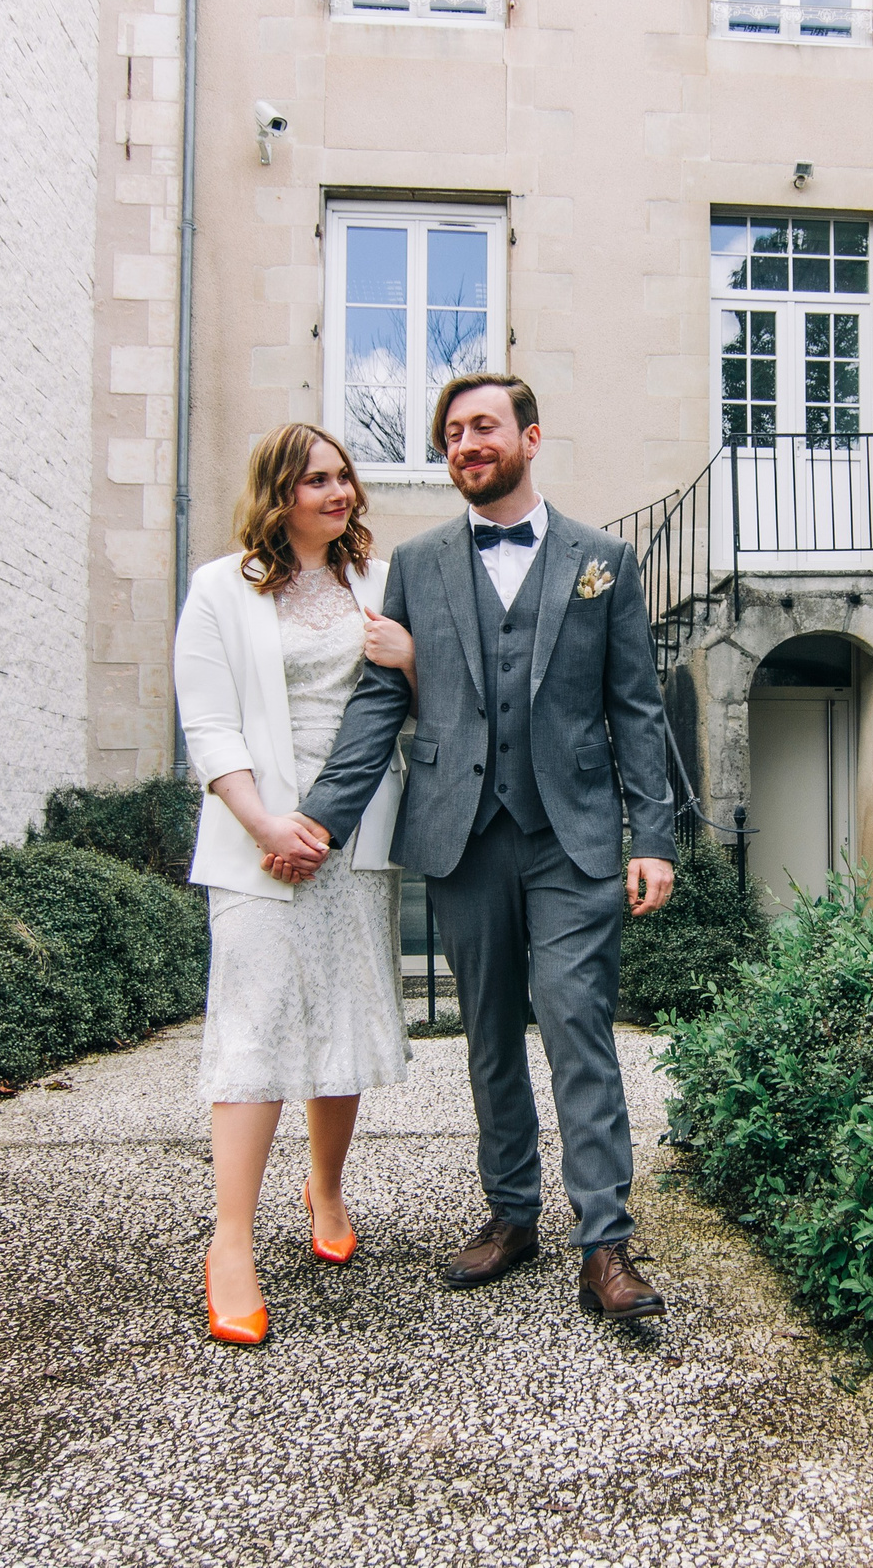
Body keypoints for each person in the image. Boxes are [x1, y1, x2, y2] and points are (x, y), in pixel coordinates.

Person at [264, 372, 678, 1322]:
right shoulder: (416, 565)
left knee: (577, 1026)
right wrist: (321, 818)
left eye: (484, 426)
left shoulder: (603, 559)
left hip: (571, 837)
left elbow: (636, 708)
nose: (466, 443)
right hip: (461, 833)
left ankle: (605, 1243)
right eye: (451, 432)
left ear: (531, 437)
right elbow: (379, 704)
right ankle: (512, 1214)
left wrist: (651, 835)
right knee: (489, 1035)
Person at [172, 422, 416, 1345]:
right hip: (258, 836)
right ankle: (230, 1241)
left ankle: (326, 1186)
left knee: (340, 1015)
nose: (338, 490)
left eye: (343, 475)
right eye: (316, 479)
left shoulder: (381, 584)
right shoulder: (219, 588)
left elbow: (427, 697)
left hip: (356, 833)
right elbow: (208, 723)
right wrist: (267, 823)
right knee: (256, 1023)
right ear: (277, 492)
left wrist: (412, 658)